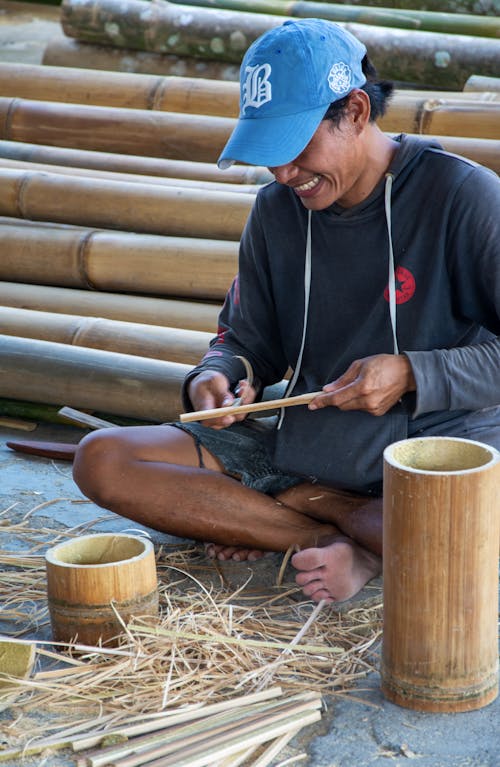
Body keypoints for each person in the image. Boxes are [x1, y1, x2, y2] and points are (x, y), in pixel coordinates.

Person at [73, 19, 500, 604]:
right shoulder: (276, 210)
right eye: (269, 154)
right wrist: (220, 378)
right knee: (103, 459)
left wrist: (411, 373)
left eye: (295, 148)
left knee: (457, 528)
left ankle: (273, 515)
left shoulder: (461, 195)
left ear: (353, 111)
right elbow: (244, 339)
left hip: (426, 454)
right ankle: (324, 531)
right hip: (304, 448)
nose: (282, 173)